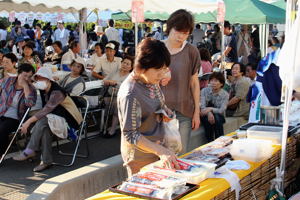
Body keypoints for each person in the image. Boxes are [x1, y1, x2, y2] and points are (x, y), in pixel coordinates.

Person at [118, 38, 180, 177]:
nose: (162, 74)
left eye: (164, 69)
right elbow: (130, 134)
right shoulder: (130, 93)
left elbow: (158, 103)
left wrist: (165, 111)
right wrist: (161, 151)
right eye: (158, 69)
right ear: (143, 66)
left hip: (157, 150)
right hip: (140, 158)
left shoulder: (151, 80)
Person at [13, 67, 83, 172]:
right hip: (54, 119)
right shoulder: (44, 89)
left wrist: (27, 122)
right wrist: (27, 80)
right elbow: (31, 82)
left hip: (70, 122)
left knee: (43, 119)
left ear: (49, 79)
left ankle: (30, 150)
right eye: (38, 79)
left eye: (42, 78)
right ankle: (46, 162)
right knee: (44, 127)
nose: (39, 81)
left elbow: (46, 110)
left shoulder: (57, 92)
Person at [161, 9, 201, 154]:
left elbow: (194, 83)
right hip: (160, 111)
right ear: (170, 27)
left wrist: (197, 111)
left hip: (184, 111)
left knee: (182, 153)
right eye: (179, 31)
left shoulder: (192, 51)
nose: (181, 36)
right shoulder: (157, 49)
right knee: (161, 156)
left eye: (185, 33)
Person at [0, 64, 37, 158]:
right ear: (18, 73)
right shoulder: (8, 81)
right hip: (2, 111)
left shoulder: (31, 89)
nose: (26, 78)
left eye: (29, 76)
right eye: (24, 75)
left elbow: (30, 104)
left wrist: (25, 87)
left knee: (2, 129)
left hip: (16, 117)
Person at [103, 55, 134, 136]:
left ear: (131, 67)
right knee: (104, 102)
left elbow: (128, 87)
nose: (125, 65)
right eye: (124, 63)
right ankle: (104, 125)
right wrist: (107, 81)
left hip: (122, 98)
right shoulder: (115, 71)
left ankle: (112, 130)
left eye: (128, 64)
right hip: (110, 95)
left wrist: (116, 83)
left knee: (118, 104)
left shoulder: (131, 77)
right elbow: (105, 79)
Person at [200, 72, 229, 142]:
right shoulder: (204, 91)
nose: (213, 83)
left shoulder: (225, 95)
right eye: (211, 80)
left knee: (217, 118)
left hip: (220, 116)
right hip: (205, 115)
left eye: (216, 81)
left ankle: (219, 141)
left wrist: (210, 109)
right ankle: (211, 142)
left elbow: (221, 110)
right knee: (208, 120)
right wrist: (209, 113)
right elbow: (202, 108)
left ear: (221, 83)